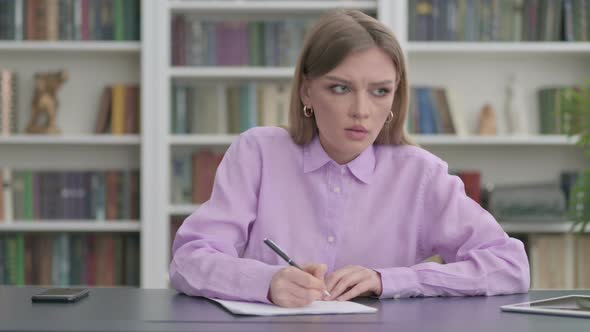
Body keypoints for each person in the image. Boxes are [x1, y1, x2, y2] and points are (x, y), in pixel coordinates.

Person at [169, 10, 530, 308]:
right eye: (340, 88)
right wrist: (267, 282)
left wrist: (387, 279)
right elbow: (189, 260)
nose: (361, 110)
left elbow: (510, 267)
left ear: (395, 98)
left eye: (380, 91)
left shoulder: (420, 174)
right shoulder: (258, 153)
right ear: (307, 90)